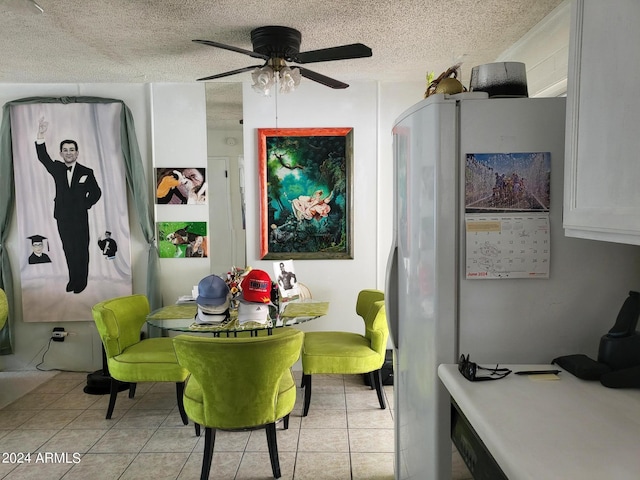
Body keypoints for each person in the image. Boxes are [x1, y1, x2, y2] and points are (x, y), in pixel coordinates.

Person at [36, 116, 102, 294]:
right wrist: (40, 134)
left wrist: (85, 205)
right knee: (68, 248)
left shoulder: (87, 172)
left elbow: (96, 193)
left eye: (72, 150)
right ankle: (73, 279)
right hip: (62, 216)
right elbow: (43, 157)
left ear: (77, 153)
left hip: (80, 216)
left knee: (81, 248)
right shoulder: (57, 168)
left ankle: (82, 281)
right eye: (65, 150)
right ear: (61, 153)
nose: (69, 153)